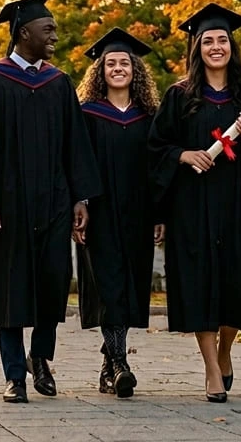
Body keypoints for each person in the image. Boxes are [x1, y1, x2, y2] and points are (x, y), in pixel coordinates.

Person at [0, 0, 100, 404]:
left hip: (53, 200)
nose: (54, 34)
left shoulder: (58, 83)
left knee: (52, 283)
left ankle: (42, 357)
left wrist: (81, 198)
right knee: (11, 287)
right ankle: (15, 375)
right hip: (8, 205)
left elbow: (75, 145)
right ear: (23, 32)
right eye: (47, 29)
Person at [148, 6, 241, 403]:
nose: (216, 47)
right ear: (197, 48)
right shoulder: (179, 95)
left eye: (222, 40)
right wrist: (184, 156)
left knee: (235, 282)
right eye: (208, 41)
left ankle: (225, 351)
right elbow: (155, 148)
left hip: (236, 205)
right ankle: (210, 368)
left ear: (231, 46)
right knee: (198, 282)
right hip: (191, 206)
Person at [76, 28, 164, 399]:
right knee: (108, 286)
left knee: (127, 287)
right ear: (100, 71)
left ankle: (109, 367)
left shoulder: (150, 117)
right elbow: (76, 163)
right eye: (110, 63)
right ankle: (121, 363)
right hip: (100, 213)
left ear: (135, 70)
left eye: (124, 63)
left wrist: (160, 214)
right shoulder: (86, 114)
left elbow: (160, 169)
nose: (117, 68)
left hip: (139, 214)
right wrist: (78, 204)